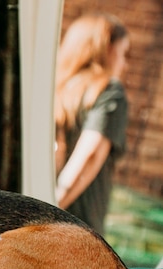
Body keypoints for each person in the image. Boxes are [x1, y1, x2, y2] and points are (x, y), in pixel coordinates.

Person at [54, 13, 130, 235]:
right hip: (78, 232)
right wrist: (50, 204)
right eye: (124, 53)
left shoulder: (56, 91)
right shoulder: (110, 91)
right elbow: (91, 155)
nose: (125, 64)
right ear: (107, 49)